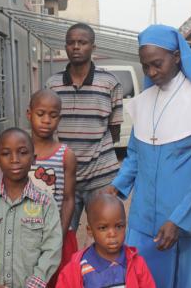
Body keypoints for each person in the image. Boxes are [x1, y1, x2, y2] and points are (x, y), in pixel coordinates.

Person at [105, 24, 191, 288]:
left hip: (181, 223)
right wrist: (117, 187)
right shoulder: (144, 102)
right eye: (145, 66)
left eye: (157, 64)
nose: (151, 72)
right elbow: (134, 155)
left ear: (177, 56)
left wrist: (179, 220)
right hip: (142, 219)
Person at [46, 23, 123, 231]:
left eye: (82, 42)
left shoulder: (110, 82)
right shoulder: (52, 84)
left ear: (93, 47)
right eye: (71, 43)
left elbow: (114, 130)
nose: (76, 47)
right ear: (65, 46)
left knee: (104, 237)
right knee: (59, 236)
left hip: (101, 178)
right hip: (62, 176)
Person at [0, 128, 62, 288]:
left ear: (34, 159)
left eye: (22, 152)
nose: (14, 159)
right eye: (6, 153)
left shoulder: (45, 202)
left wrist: (35, 283)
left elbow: (52, 247)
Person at [26, 89, 77, 287]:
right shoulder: (19, 152)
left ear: (59, 118)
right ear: (29, 114)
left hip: (58, 236)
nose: (46, 120)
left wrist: (58, 237)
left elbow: (68, 198)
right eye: (41, 114)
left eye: (53, 115)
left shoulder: (66, 155)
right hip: (27, 236)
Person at [56, 193, 156, 288]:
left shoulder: (136, 263)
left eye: (119, 226)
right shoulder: (77, 268)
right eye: (103, 228)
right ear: (90, 231)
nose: (112, 234)